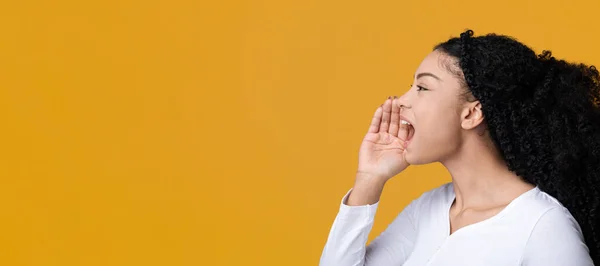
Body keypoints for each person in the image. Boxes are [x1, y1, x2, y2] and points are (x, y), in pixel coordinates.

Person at [319, 29, 599, 266]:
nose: (403, 100)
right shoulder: (429, 209)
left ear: (471, 114)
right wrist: (370, 178)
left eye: (422, 88)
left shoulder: (544, 228)